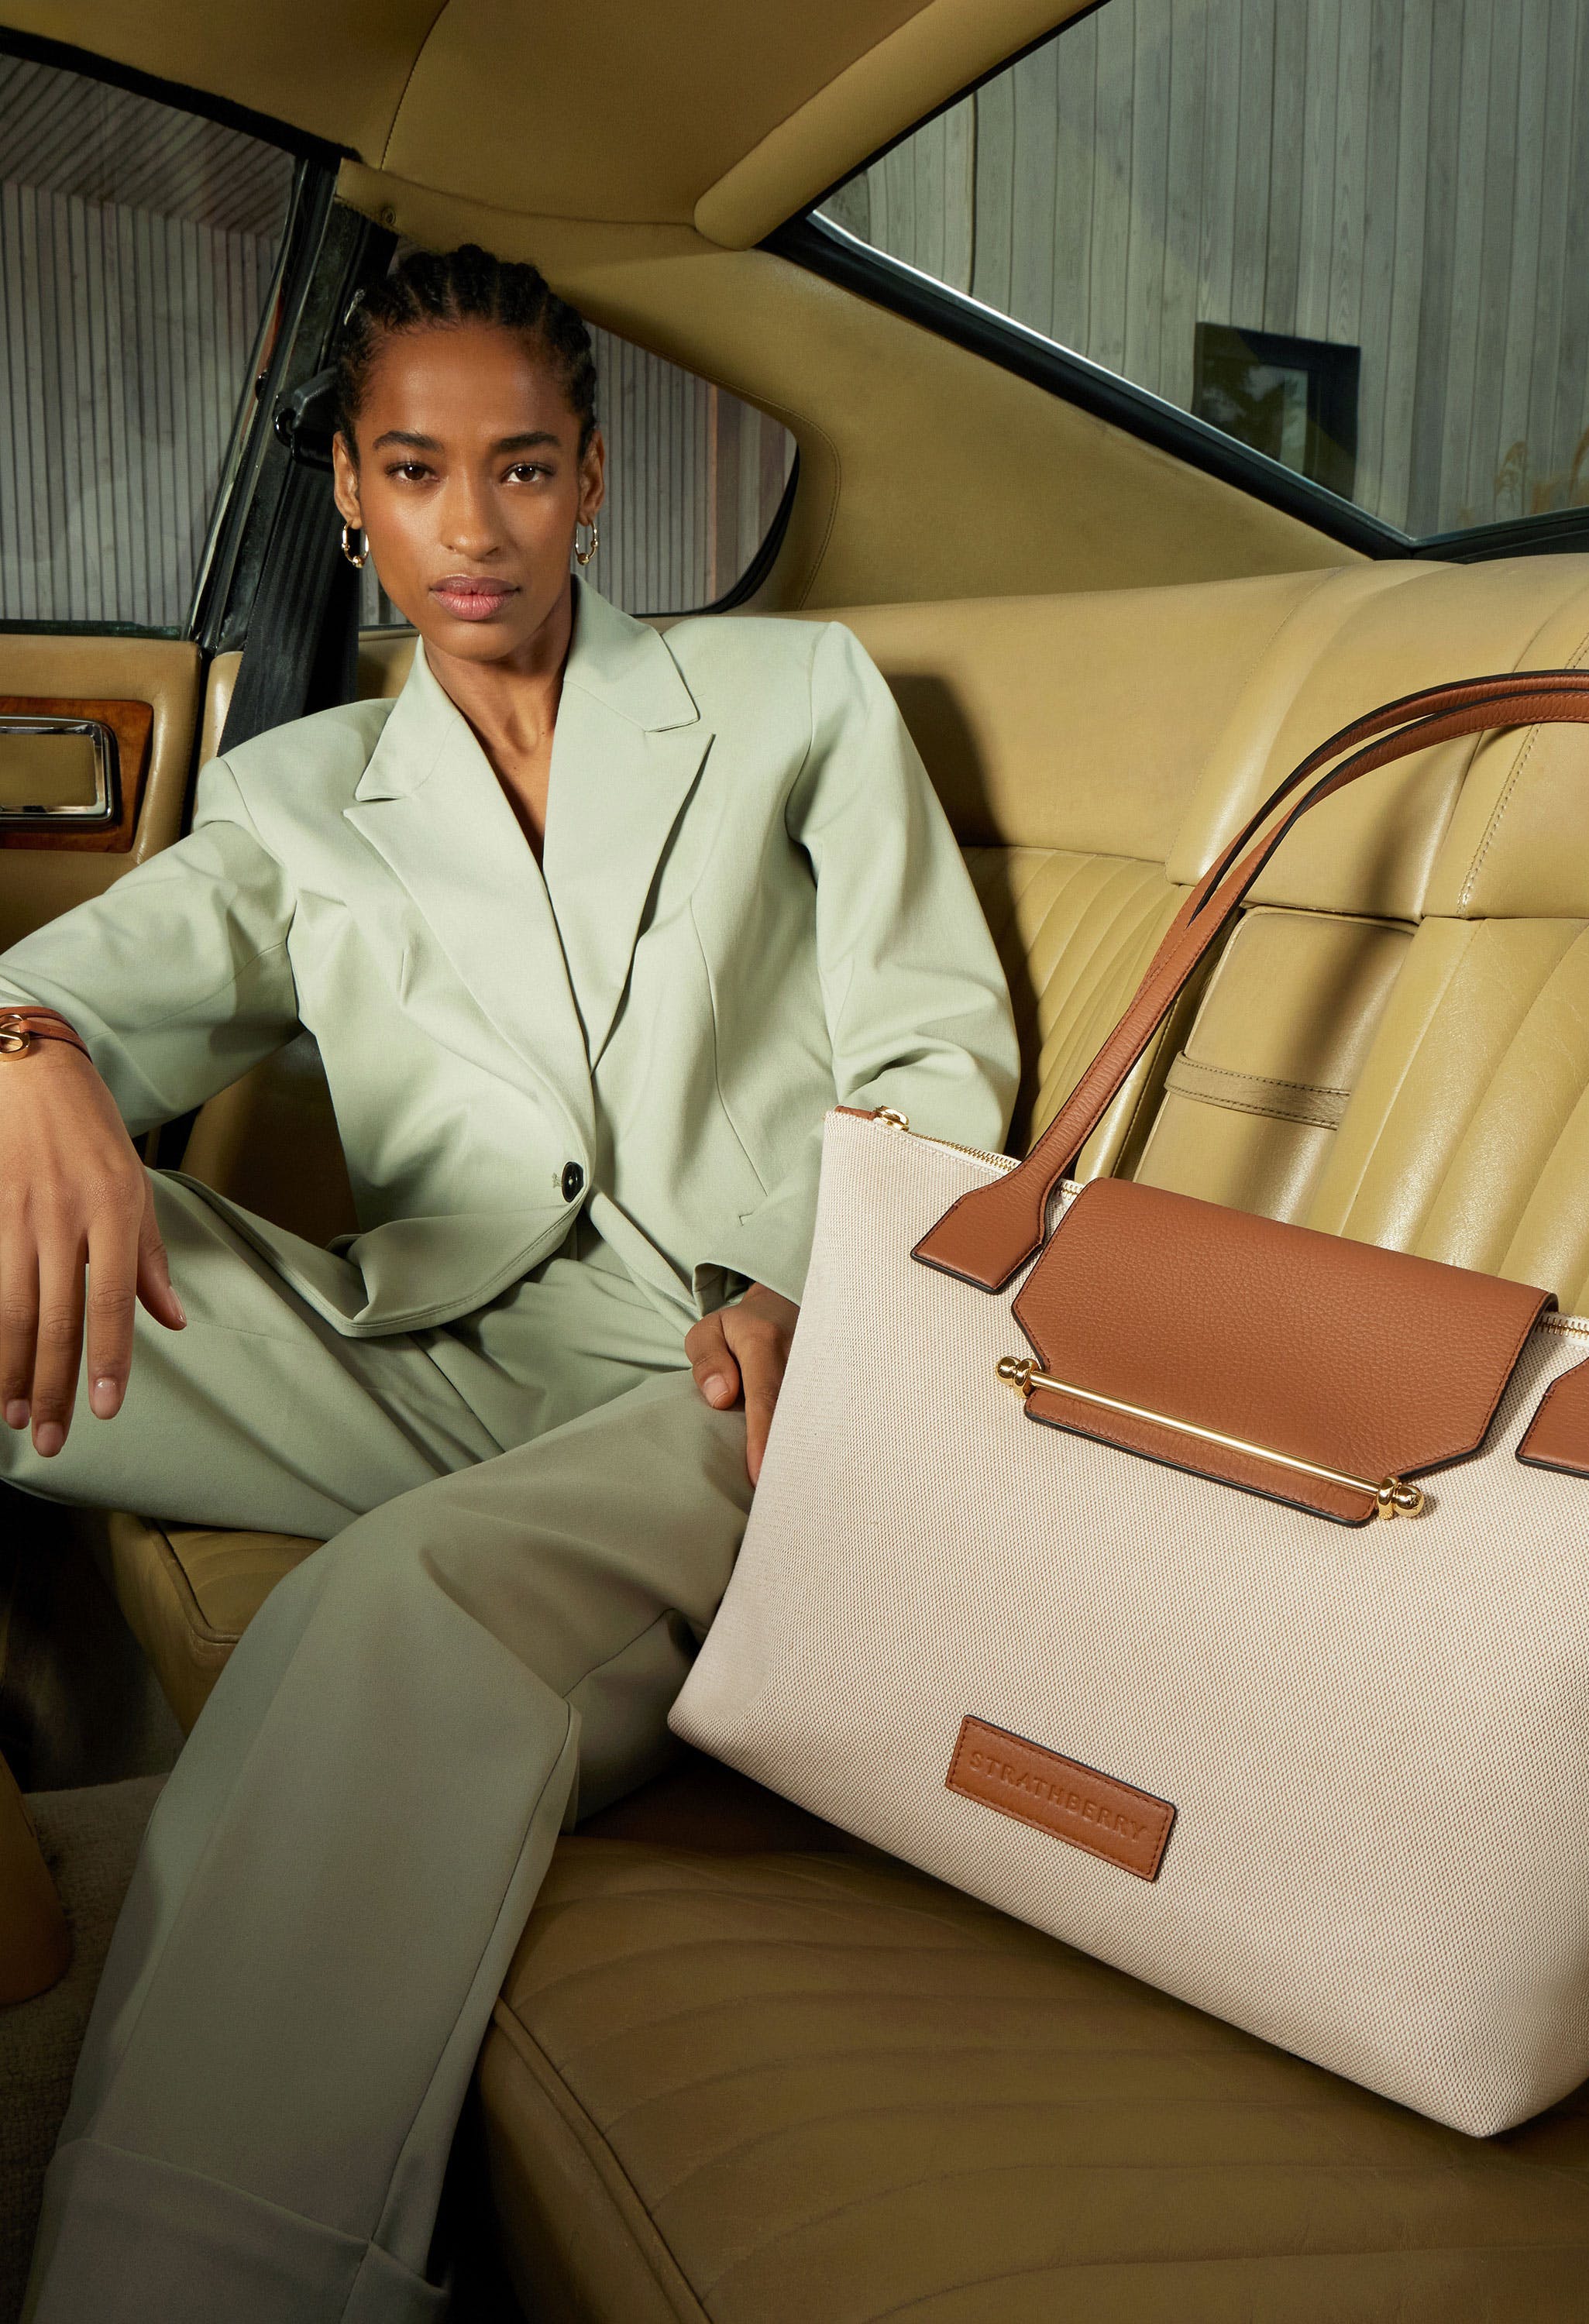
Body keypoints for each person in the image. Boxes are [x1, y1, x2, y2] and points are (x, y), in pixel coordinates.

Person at [0, 242, 1017, 2320]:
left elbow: (933, 1054)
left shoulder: (792, 698)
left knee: (397, 1607)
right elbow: (72, 993)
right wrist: (31, 1056)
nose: (476, 528)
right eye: (419, 471)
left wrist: (824, 1296)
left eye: (526, 468)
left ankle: (185, 2284)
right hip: (428, 1360)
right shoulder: (299, 798)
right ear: (355, 499)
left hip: (738, 1382)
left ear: (598, 479)